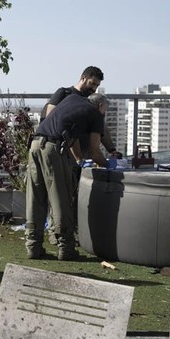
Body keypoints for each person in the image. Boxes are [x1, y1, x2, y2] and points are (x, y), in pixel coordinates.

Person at [25, 67, 109, 261]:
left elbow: (69, 134)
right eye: (93, 84)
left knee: (35, 198)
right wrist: (108, 166)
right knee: (60, 199)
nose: (94, 88)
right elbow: (96, 151)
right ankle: (66, 249)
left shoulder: (70, 100)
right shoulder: (95, 114)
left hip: (35, 145)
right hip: (53, 150)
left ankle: (33, 247)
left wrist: (79, 158)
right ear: (101, 107)